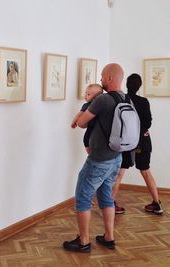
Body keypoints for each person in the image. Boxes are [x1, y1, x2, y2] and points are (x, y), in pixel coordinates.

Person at [63, 63, 124, 253]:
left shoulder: (103, 100)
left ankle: (83, 242)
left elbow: (81, 123)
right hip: (117, 157)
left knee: (82, 197)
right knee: (106, 196)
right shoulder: (125, 98)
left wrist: (87, 107)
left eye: (103, 77)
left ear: (110, 79)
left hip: (99, 159)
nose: (100, 80)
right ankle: (109, 237)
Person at [113, 73, 163, 215]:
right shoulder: (144, 101)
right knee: (146, 171)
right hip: (143, 141)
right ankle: (157, 204)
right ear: (140, 86)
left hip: (126, 142)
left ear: (126, 85)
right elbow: (148, 123)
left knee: (119, 173)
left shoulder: (121, 101)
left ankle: (111, 204)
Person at [71, 84, 103, 154]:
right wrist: (75, 122)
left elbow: (78, 115)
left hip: (92, 132)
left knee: (87, 142)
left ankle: (91, 155)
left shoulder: (87, 105)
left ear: (97, 97)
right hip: (92, 131)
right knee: (87, 142)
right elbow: (79, 115)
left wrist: (74, 122)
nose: (85, 96)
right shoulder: (88, 105)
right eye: (85, 93)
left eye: (88, 94)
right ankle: (91, 156)